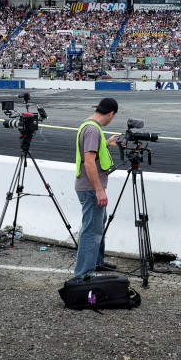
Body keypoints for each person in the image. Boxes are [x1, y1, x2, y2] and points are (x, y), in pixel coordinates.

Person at [72, 97, 120, 280]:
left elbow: (91, 151)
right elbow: (89, 162)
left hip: (87, 186)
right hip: (91, 188)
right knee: (92, 230)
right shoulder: (93, 130)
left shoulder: (89, 125)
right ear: (111, 114)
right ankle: (83, 274)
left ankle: (97, 262)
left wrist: (106, 143)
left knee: (97, 225)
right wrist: (99, 190)